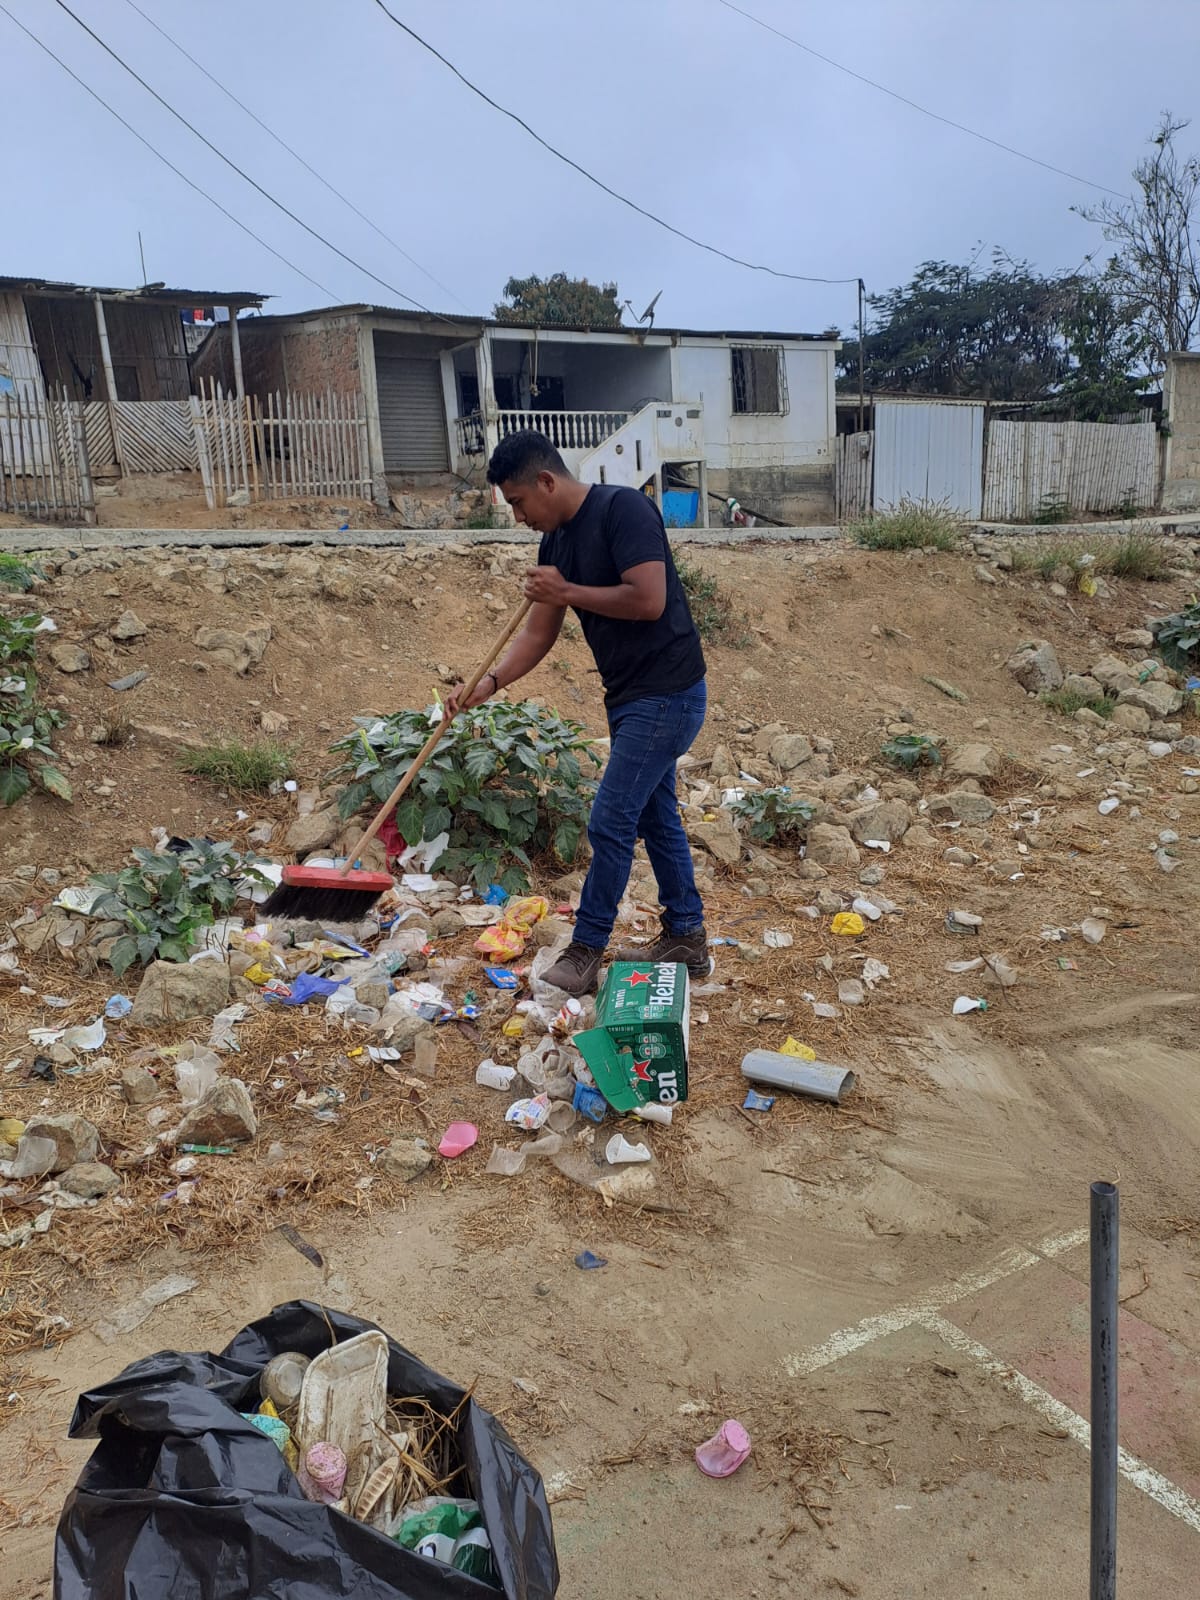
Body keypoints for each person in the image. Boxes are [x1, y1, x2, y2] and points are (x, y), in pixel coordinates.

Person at [447, 429, 708, 995]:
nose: (519, 517)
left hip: (669, 693)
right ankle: (687, 936)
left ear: (547, 481)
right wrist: (488, 684)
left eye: (519, 502)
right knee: (655, 816)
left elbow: (649, 600)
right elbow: (538, 634)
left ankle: (586, 950)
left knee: (610, 819)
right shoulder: (555, 545)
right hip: (630, 698)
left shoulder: (624, 510)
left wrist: (567, 591)